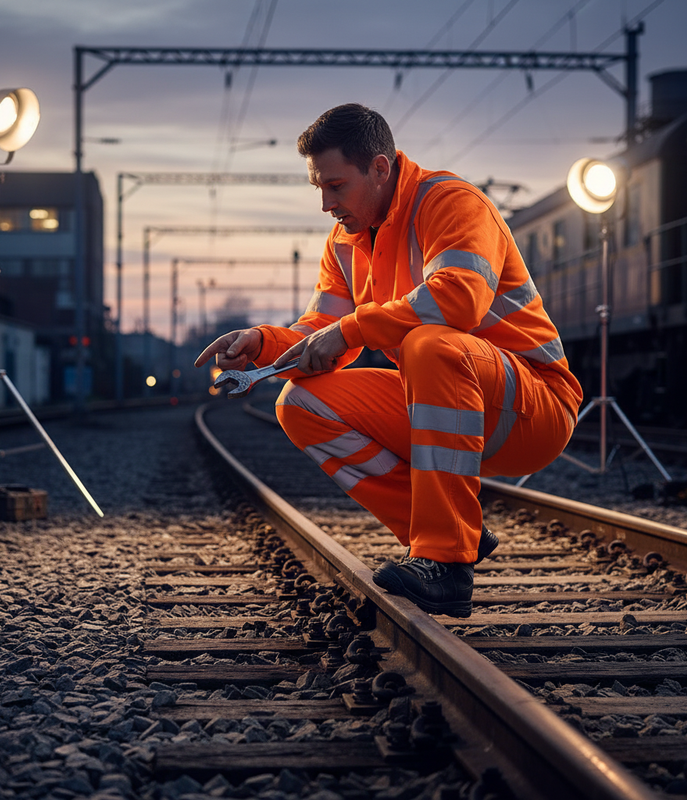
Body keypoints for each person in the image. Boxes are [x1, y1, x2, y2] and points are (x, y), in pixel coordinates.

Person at [195, 103, 582, 618]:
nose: (326, 204)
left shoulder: (452, 203)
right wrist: (260, 345)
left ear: (380, 168)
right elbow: (319, 335)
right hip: (446, 406)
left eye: (336, 186)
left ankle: (446, 561)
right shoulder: (345, 243)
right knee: (301, 402)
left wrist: (352, 329)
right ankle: (449, 532)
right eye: (320, 189)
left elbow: (458, 299)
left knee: (429, 343)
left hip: (534, 408)